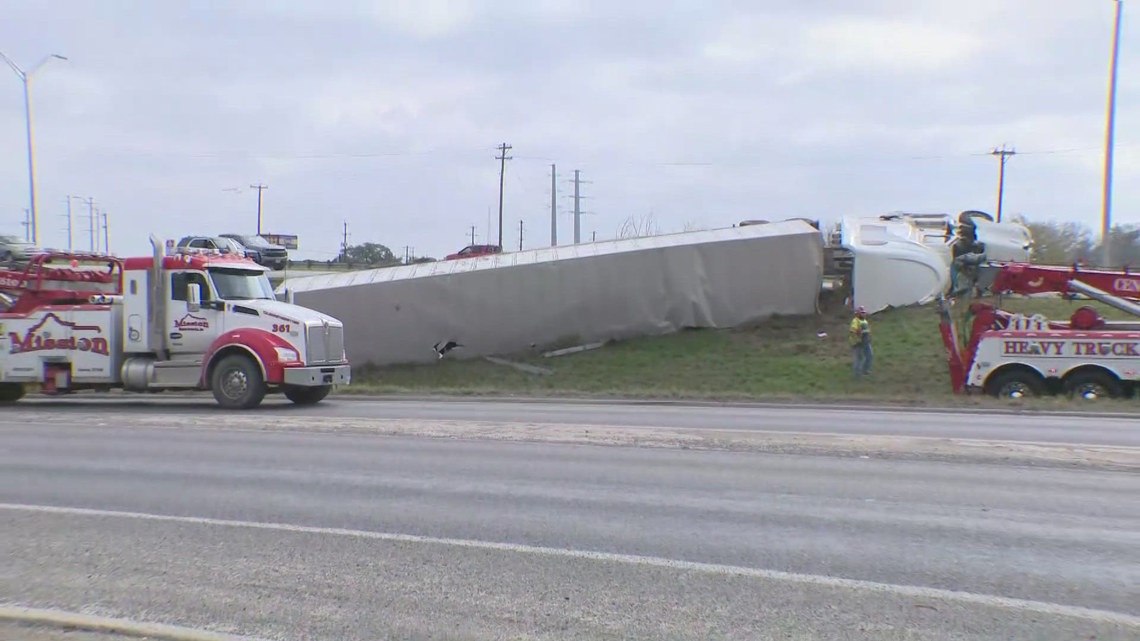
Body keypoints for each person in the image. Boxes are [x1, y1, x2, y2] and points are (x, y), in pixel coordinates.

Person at [849, 306, 872, 377]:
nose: (864, 314)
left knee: (869, 356)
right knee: (859, 359)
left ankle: (865, 370)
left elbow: (867, 331)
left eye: (864, 313)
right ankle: (858, 375)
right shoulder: (855, 321)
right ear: (858, 314)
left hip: (866, 342)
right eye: (862, 313)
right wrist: (857, 340)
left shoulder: (865, 321)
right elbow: (852, 332)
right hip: (858, 343)